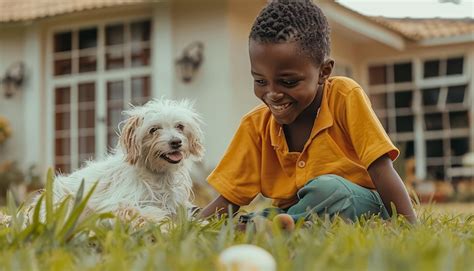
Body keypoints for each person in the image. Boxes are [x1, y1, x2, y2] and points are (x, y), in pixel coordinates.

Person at [199, 0, 416, 228]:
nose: (272, 94)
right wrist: (194, 226)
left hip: (358, 202)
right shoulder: (255, 126)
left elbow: (381, 168)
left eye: (288, 82)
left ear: (324, 71)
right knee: (280, 210)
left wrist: (407, 223)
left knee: (328, 189)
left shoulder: (344, 96)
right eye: (260, 81)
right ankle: (289, 225)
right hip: (297, 209)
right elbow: (229, 199)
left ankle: (270, 225)